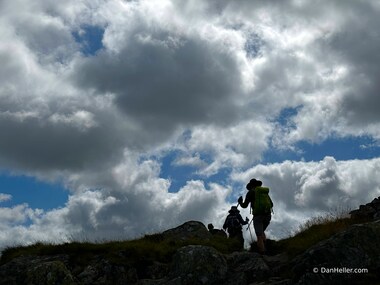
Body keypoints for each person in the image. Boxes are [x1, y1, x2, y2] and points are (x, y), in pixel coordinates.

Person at [238, 178, 273, 254]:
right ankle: (268, 246)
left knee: (259, 234)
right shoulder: (264, 191)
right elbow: (271, 204)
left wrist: (240, 202)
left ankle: (262, 252)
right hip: (268, 215)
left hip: (258, 216)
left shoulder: (250, 192)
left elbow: (245, 205)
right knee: (262, 231)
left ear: (251, 186)